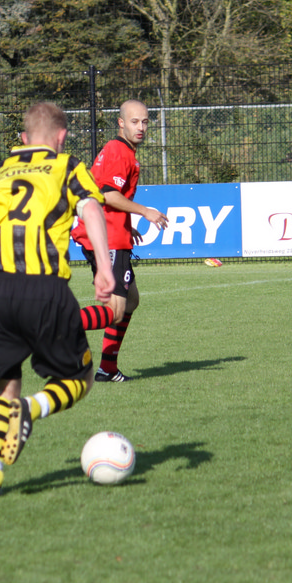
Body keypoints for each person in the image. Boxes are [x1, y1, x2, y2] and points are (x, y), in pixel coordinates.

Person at [0, 102, 115, 498]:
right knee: (80, 378)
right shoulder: (67, 166)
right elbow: (92, 208)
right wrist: (104, 266)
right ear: (61, 137)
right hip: (45, 289)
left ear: (23, 138)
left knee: (4, 388)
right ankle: (32, 408)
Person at [71, 99, 169, 382]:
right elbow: (108, 194)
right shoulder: (118, 150)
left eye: (145, 122)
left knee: (131, 300)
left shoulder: (123, 150)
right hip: (107, 239)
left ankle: (107, 368)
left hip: (113, 233)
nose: (141, 127)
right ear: (121, 123)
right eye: (135, 121)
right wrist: (144, 212)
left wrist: (127, 224)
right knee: (115, 311)